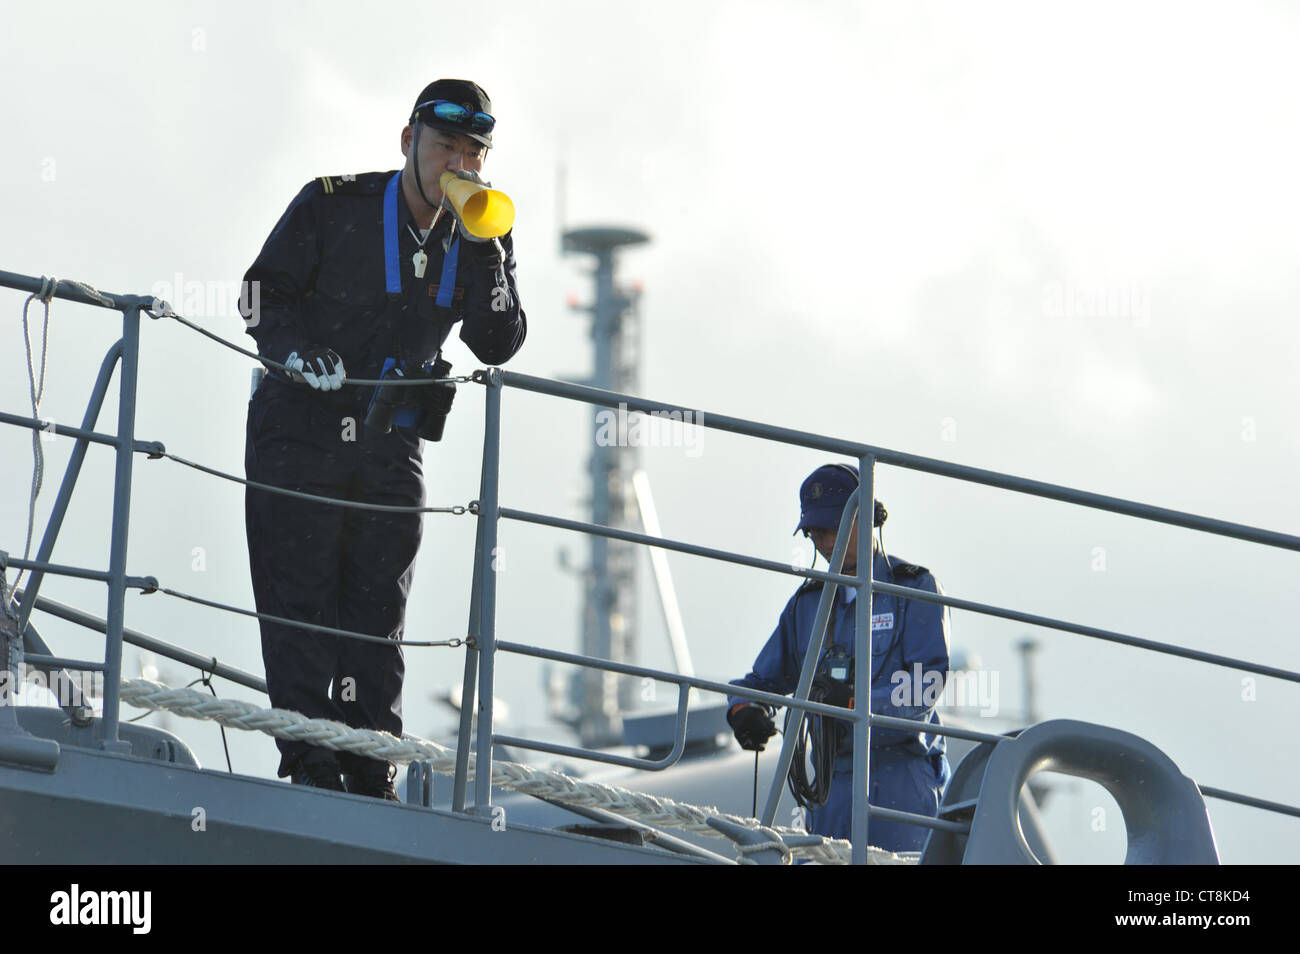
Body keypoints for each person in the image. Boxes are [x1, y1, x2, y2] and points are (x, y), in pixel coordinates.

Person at [240, 79, 526, 798]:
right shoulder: (334, 204)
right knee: (300, 601)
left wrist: (488, 247)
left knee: (378, 611)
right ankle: (311, 764)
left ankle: (370, 770)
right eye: (442, 147)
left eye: (472, 152)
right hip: (297, 428)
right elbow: (255, 294)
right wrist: (295, 353)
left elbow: (499, 342)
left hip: (392, 442)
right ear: (409, 143)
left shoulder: (484, 229)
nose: (456, 163)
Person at [727, 463, 951, 850]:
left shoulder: (916, 589)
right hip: (832, 787)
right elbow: (760, 681)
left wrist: (851, 704)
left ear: (869, 519)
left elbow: (923, 690)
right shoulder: (808, 605)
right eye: (815, 531)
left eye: (832, 528)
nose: (824, 541)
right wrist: (743, 708)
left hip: (903, 781)